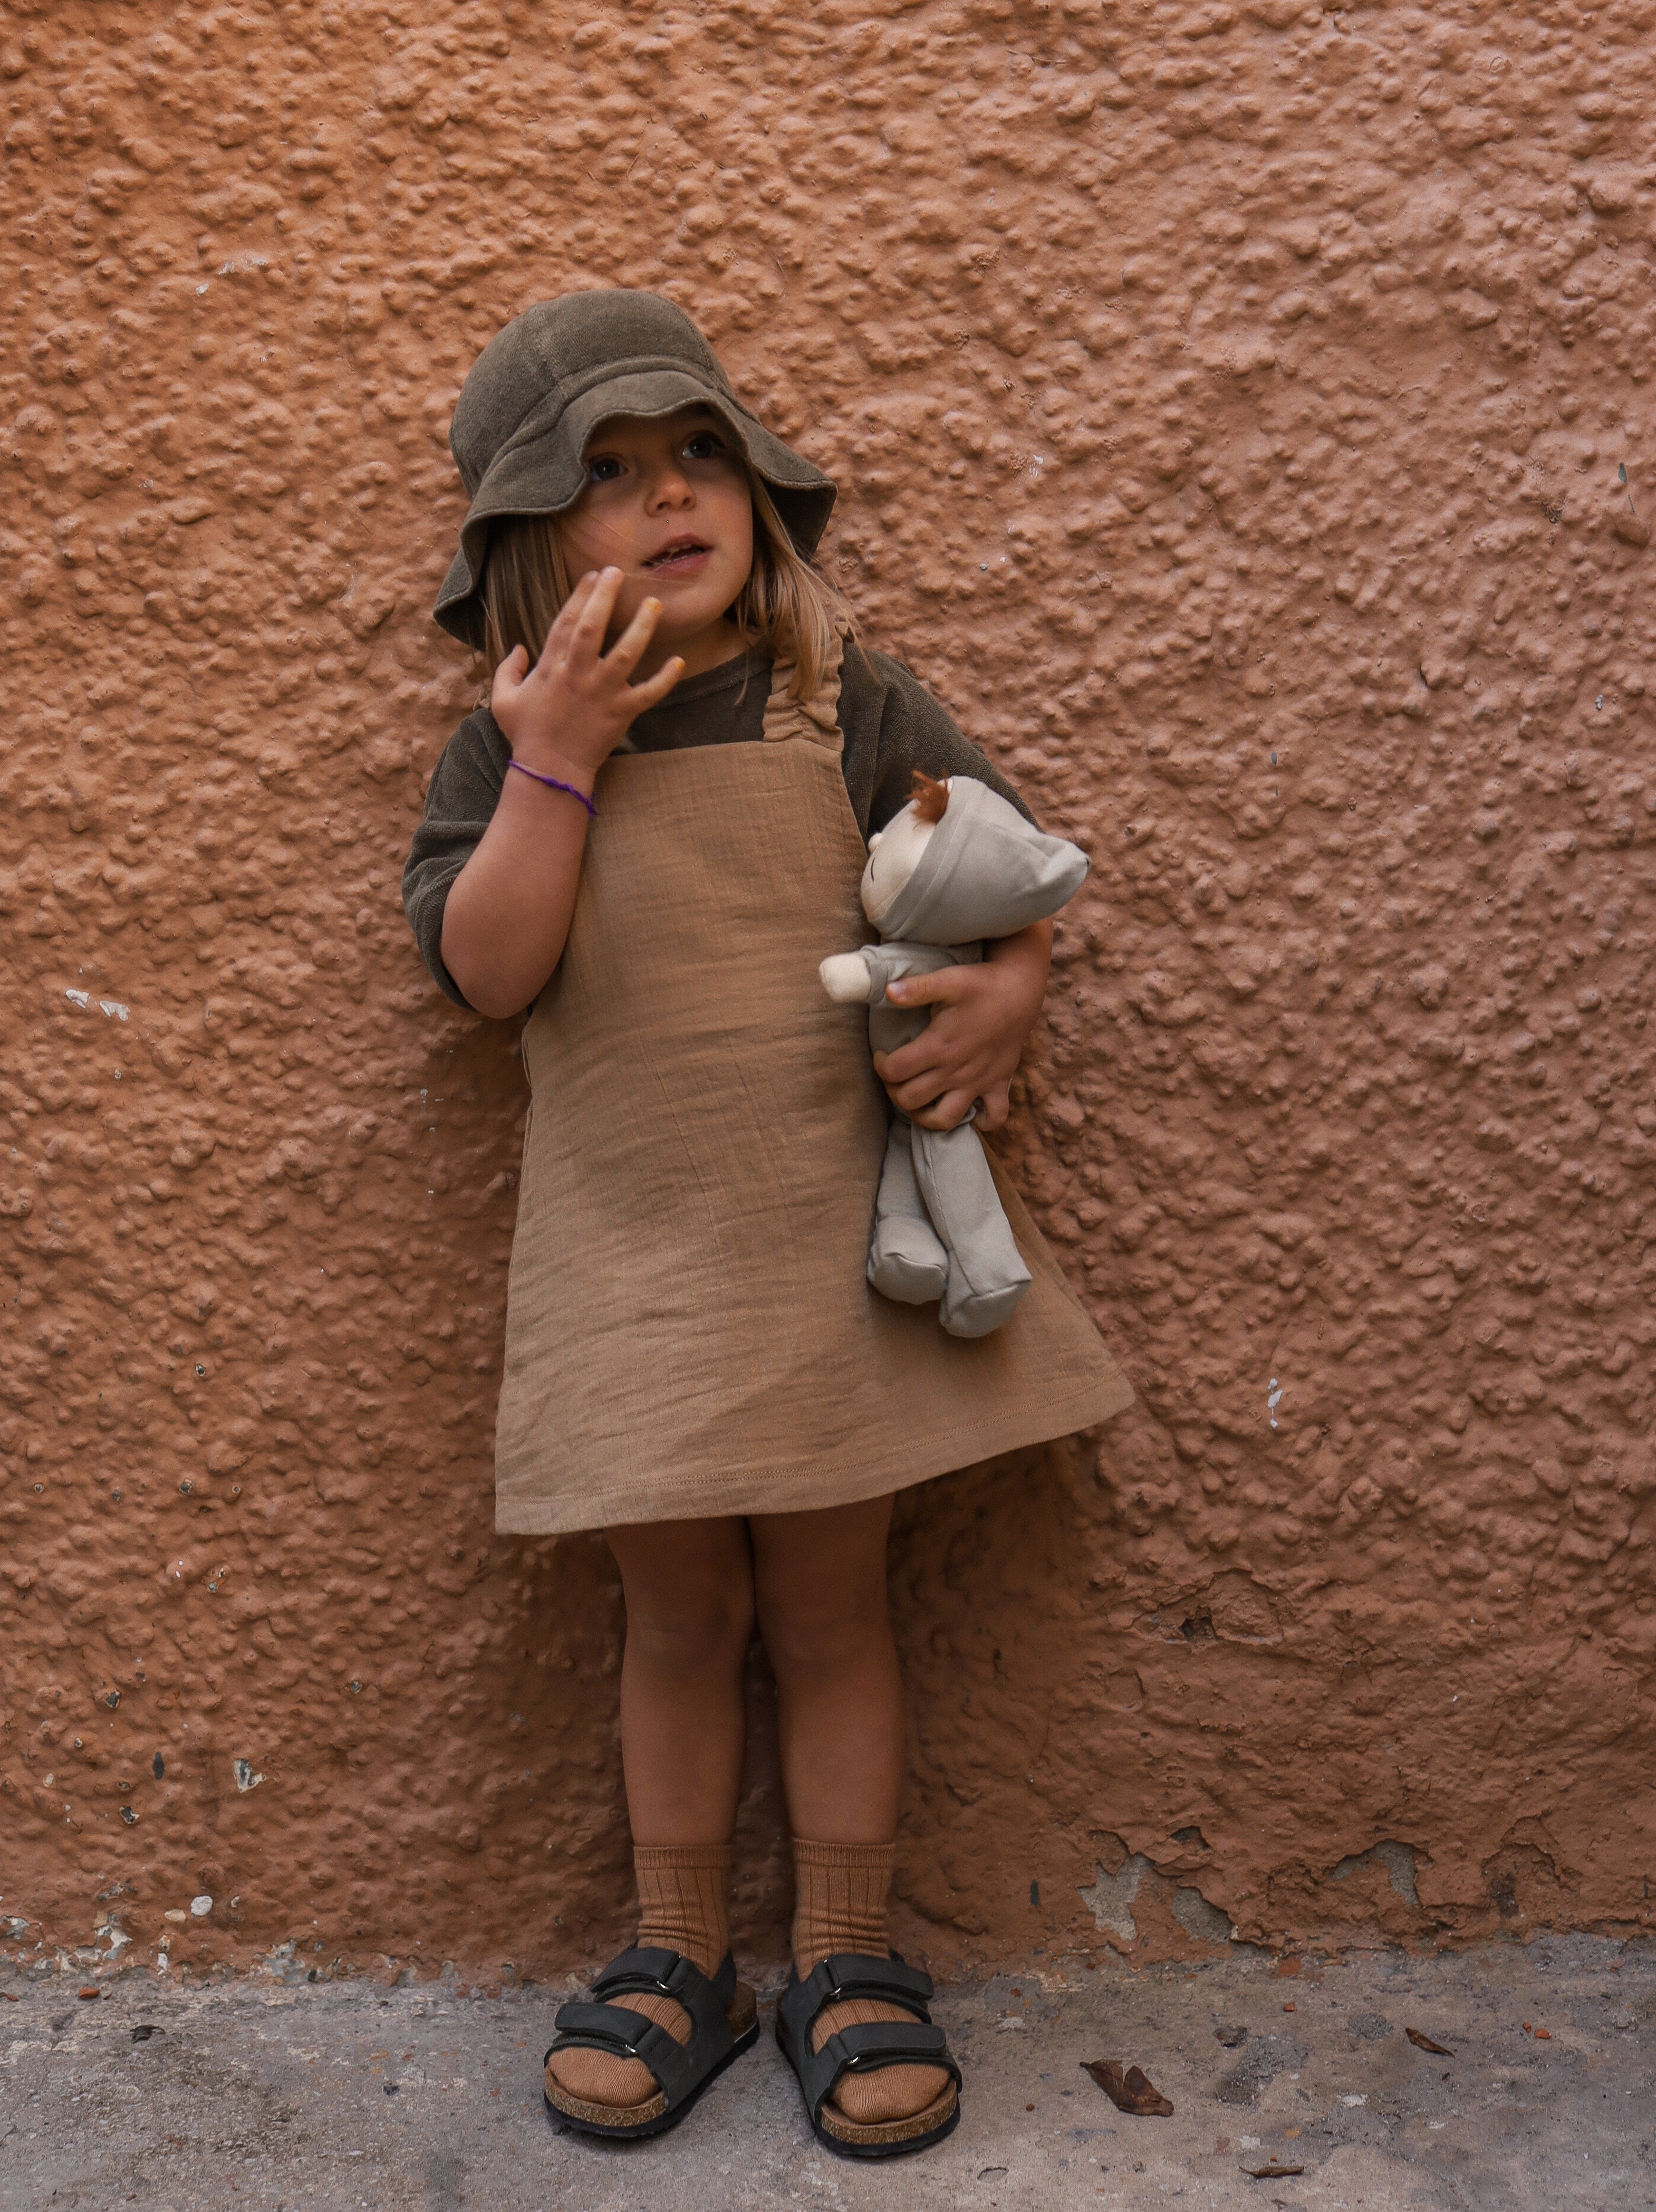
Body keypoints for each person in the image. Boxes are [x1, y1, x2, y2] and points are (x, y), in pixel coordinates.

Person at [402, 289, 1132, 2160]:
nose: (666, 498)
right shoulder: (511, 743)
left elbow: (1005, 864)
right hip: (634, 1263)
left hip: (826, 1257)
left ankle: (844, 1956)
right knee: (672, 1616)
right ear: (527, 547)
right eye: (607, 478)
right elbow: (488, 976)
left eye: (696, 454)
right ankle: (676, 1955)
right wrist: (558, 756)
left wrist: (1015, 990)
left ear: (759, 490)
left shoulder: (844, 699)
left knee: (827, 1610)